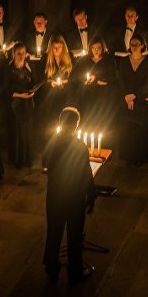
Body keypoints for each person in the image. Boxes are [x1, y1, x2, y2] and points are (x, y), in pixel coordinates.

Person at [42, 107, 96, 283]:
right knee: (74, 236)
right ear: (76, 126)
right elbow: (86, 174)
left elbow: (45, 164)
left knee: (54, 233)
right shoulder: (79, 147)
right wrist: (91, 195)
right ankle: (75, 272)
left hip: (55, 196)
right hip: (74, 197)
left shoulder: (52, 143)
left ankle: (51, 268)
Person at [118, 33, 148, 166]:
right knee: (127, 128)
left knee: (140, 130)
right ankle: (128, 156)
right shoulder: (124, 61)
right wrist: (126, 96)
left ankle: (140, 157)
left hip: (141, 100)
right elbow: (121, 80)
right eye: (132, 44)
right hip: (126, 99)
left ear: (143, 46)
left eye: (137, 44)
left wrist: (134, 96)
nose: (134, 47)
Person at [3, 42, 37, 168]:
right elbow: (6, 89)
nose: (22, 55)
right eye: (19, 53)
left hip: (28, 103)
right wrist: (19, 95)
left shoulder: (30, 66)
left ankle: (27, 158)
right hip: (15, 104)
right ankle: (17, 159)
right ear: (14, 54)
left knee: (27, 131)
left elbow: (35, 82)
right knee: (17, 131)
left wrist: (31, 93)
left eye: (23, 52)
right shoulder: (9, 69)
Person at [73, 37, 117, 131]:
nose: (96, 50)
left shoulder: (108, 60)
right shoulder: (84, 60)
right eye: (93, 48)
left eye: (99, 48)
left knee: (101, 121)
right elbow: (77, 76)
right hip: (87, 97)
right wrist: (86, 80)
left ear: (103, 48)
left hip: (103, 97)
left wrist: (96, 79)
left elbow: (112, 78)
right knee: (88, 119)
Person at [39, 34, 74, 138]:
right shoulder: (45, 59)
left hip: (66, 97)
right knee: (52, 125)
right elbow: (42, 78)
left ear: (63, 47)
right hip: (51, 98)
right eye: (54, 48)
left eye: (59, 47)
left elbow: (75, 77)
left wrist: (64, 82)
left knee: (65, 124)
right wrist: (50, 82)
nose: (57, 50)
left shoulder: (70, 57)